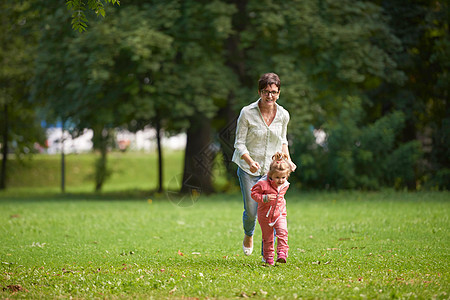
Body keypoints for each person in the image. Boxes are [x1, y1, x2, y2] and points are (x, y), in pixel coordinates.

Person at [232, 72, 296, 257]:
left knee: (273, 210)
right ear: (259, 92)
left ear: (279, 93)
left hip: (272, 172)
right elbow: (239, 143)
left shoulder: (283, 115)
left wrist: (288, 160)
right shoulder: (247, 113)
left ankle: (267, 252)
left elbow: (283, 140)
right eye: (266, 92)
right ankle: (249, 233)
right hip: (248, 170)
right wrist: (250, 162)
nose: (270, 96)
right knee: (252, 211)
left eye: (274, 92)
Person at [251, 152, 292, 265]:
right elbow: (253, 194)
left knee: (282, 231)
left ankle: (282, 253)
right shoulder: (262, 184)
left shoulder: (285, 184)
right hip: (265, 216)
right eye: (277, 177)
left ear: (287, 176)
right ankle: (269, 257)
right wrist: (264, 198)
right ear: (270, 175)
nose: (280, 180)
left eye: (283, 177)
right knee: (268, 238)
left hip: (280, 213)